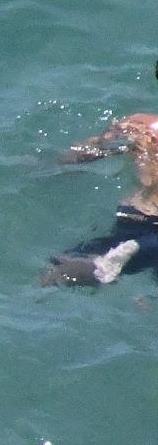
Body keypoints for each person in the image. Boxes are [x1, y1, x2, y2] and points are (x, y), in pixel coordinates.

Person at [41, 71, 158, 287]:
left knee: (70, 266)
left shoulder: (140, 126)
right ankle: (112, 265)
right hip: (150, 231)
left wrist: (48, 169)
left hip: (132, 218)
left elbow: (85, 152)